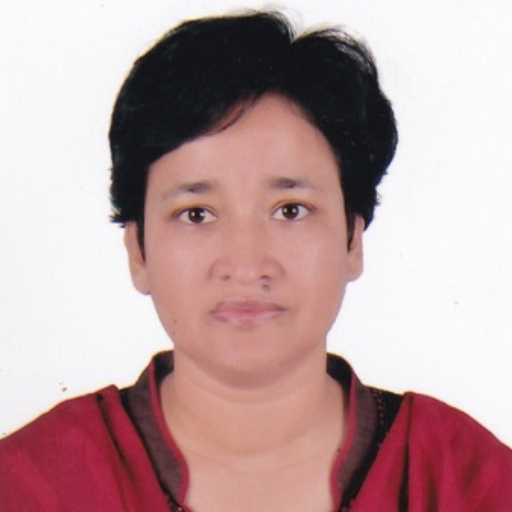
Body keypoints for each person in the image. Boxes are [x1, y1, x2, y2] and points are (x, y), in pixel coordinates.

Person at [1, 10, 511, 512]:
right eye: (196, 214)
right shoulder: (33, 484)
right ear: (138, 251)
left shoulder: (464, 481)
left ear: (353, 239)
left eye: (290, 210)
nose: (246, 265)